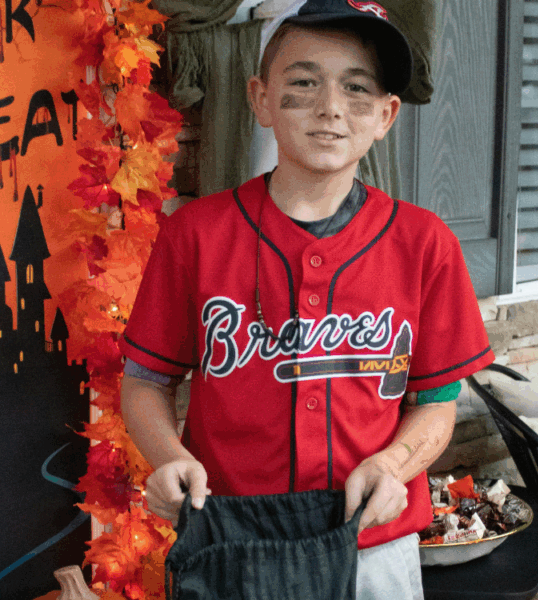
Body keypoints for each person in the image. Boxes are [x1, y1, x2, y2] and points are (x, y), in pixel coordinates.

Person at [119, 1, 494, 597]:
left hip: (370, 539)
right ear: (261, 98)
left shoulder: (425, 244)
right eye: (304, 82)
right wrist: (167, 456)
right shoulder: (195, 235)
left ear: (386, 115)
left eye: (357, 89)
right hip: (231, 537)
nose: (331, 108)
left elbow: (438, 401)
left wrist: (395, 465)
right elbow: (145, 381)